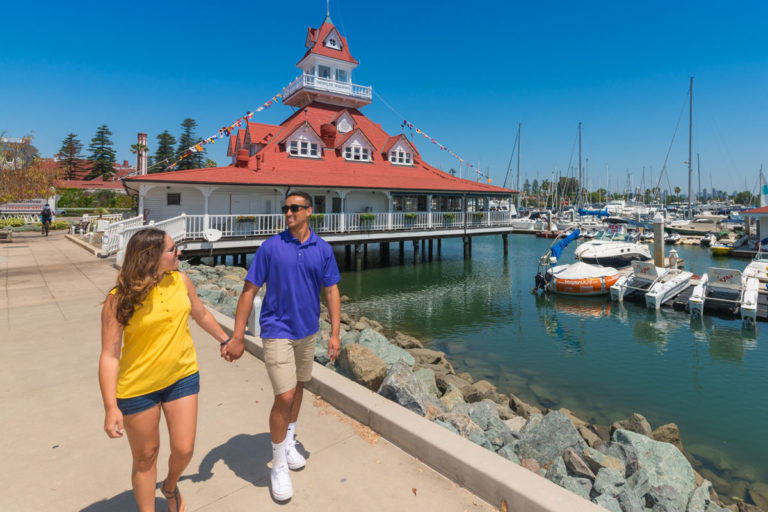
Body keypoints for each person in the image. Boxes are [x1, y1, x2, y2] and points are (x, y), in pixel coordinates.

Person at [98, 228, 232, 512]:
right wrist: (111, 407)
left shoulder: (180, 280)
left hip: (182, 376)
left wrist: (226, 340)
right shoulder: (118, 298)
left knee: (184, 449)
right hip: (138, 388)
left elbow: (202, 314)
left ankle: (170, 487)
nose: (178, 253)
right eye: (172, 250)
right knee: (146, 457)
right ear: (151, 257)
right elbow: (109, 356)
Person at [223, 190, 341, 502]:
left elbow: (331, 291)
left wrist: (335, 333)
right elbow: (249, 290)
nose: (288, 213)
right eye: (285, 208)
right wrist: (238, 336)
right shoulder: (271, 247)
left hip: (307, 330)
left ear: (309, 211)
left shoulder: (323, 249)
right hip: (276, 330)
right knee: (284, 394)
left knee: (300, 385)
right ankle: (278, 464)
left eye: (295, 208)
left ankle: (288, 441)